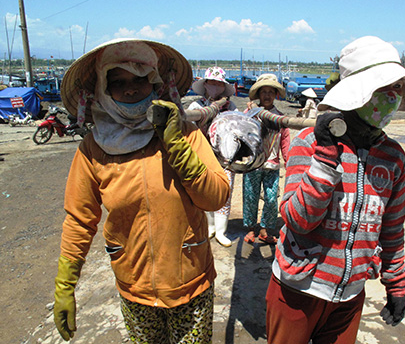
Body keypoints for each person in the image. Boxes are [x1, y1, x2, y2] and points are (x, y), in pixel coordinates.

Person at [53, 39, 230, 343]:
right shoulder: (94, 148)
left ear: (156, 84)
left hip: (191, 282)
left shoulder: (184, 134)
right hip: (134, 288)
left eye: (139, 79)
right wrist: (65, 285)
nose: (131, 89)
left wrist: (175, 145)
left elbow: (215, 197)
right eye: (118, 82)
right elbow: (79, 220)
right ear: (103, 90)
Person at [266, 36, 405, 344]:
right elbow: (298, 219)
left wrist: (395, 284)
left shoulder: (393, 157)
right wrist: (326, 160)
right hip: (298, 290)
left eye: (398, 88)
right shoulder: (310, 142)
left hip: (350, 294)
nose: (393, 96)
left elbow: (392, 230)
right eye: (385, 88)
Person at [188, 66, 237, 247]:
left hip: (224, 156)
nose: (215, 86)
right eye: (212, 82)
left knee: (225, 189)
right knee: (204, 189)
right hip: (201, 154)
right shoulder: (196, 106)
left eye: (219, 83)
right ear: (205, 84)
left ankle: (222, 230)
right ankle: (209, 226)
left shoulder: (230, 106)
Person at [243, 74, 290, 245]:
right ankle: (250, 228)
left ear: (275, 94)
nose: (268, 95)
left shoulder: (280, 117)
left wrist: (289, 161)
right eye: (264, 92)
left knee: (271, 198)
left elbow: (285, 142)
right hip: (252, 164)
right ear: (258, 95)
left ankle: (264, 229)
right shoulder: (249, 113)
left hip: (272, 164)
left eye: (271, 92)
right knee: (250, 196)